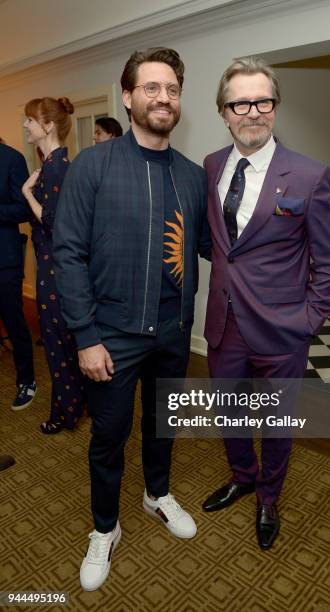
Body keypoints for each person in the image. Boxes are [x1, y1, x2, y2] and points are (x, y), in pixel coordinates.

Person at [53, 47, 211, 591]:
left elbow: (218, 247)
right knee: (109, 436)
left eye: (171, 89)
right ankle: (105, 528)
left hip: (173, 332)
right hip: (111, 337)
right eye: (151, 87)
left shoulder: (192, 177)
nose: (163, 97)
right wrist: (87, 337)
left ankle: (156, 494)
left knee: (163, 425)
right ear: (127, 97)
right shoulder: (92, 166)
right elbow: (66, 253)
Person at [202, 58, 330, 550]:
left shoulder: (308, 175)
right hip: (224, 324)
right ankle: (242, 474)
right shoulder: (212, 166)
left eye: (263, 101)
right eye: (241, 102)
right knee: (230, 411)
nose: (252, 112)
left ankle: (268, 495)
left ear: (275, 107)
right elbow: (222, 244)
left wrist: (307, 321)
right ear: (224, 112)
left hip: (283, 330)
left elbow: (327, 263)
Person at [22, 97, 85, 434]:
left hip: (55, 270)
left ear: (47, 125)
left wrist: (26, 193)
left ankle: (67, 413)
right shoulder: (51, 164)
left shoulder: (58, 166)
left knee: (59, 344)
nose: (26, 126)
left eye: (30, 120)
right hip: (52, 267)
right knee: (61, 342)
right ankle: (69, 406)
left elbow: (54, 221)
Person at [0, 141, 36, 410]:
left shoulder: (12, 158)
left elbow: (23, 209)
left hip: (5, 260)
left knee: (14, 321)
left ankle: (27, 381)